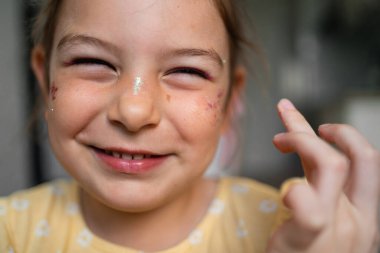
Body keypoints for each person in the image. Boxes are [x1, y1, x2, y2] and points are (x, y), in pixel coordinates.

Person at [1, 0, 379, 252]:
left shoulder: (299, 228)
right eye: (91, 62)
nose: (133, 111)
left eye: (186, 70)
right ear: (43, 78)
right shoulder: (12, 232)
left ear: (230, 101)